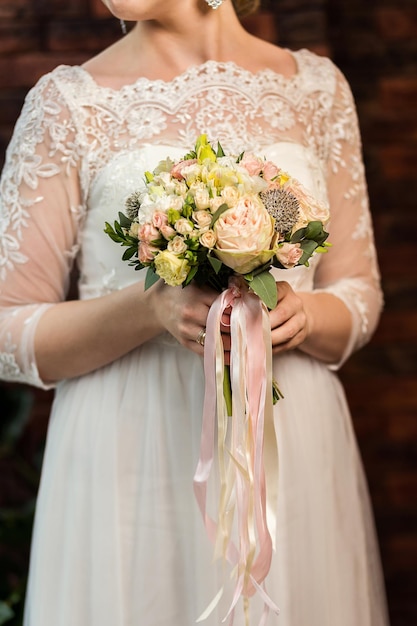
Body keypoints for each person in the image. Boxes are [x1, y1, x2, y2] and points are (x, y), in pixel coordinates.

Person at [0, 0, 390, 624]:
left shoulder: (317, 90)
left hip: (291, 453)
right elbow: (7, 330)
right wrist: (149, 309)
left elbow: (359, 294)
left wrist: (305, 316)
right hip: (130, 457)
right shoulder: (67, 106)